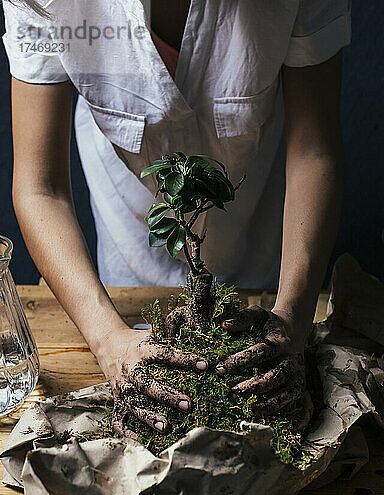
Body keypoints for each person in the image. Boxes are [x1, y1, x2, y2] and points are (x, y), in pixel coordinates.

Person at [2, 0, 350, 434]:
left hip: (261, 238)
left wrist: (293, 322)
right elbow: (40, 188)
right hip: (129, 247)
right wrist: (109, 339)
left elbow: (314, 150)